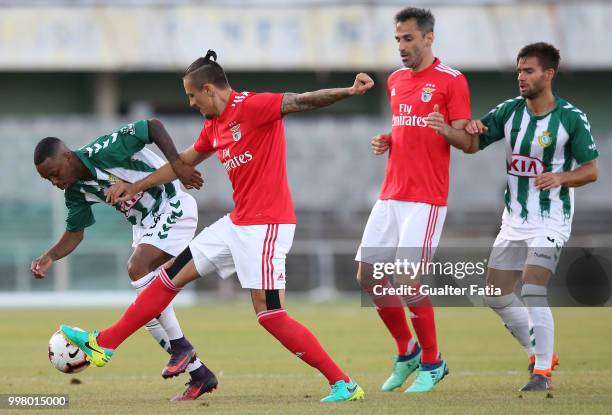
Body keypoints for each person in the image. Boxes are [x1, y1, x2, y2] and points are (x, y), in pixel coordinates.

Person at [59, 50, 374, 402]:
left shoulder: (253, 107)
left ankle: (343, 383)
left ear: (209, 90)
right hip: (237, 223)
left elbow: (301, 101)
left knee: (270, 315)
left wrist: (348, 91)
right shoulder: (215, 125)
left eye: (192, 96)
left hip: (266, 226)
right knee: (166, 279)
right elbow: (186, 159)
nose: (191, 103)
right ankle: (104, 344)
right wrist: (135, 186)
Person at [426, 42, 599, 391]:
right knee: (495, 294)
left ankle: (542, 374)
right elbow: (473, 144)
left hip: (550, 220)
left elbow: (592, 170)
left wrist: (561, 177)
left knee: (533, 288)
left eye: (529, 71)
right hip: (514, 219)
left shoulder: (570, 118)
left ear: (548, 74)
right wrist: (449, 130)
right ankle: (538, 351)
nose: (521, 77)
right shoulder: (509, 112)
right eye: (519, 70)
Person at [31, 120, 216, 401]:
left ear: (67, 156)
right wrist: (50, 256)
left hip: (172, 204)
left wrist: (178, 165)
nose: (55, 182)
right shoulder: (75, 192)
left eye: (55, 173)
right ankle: (198, 372)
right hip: (145, 225)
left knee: (137, 268)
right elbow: (74, 234)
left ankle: (180, 346)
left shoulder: (104, 150)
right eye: (48, 180)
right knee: (145, 302)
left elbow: (152, 126)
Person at [357, 7, 472, 393]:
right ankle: (406, 351)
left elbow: (465, 139)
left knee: (407, 278)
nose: (402, 47)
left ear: (428, 38)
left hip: (426, 198)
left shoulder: (452, 81)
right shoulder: (394, 80)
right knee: (368, 275)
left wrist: (447, 130)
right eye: (398, 40)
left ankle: (433, 362)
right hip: (391, 194)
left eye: (408, 39)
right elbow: (405, 127)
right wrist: (389, 140)